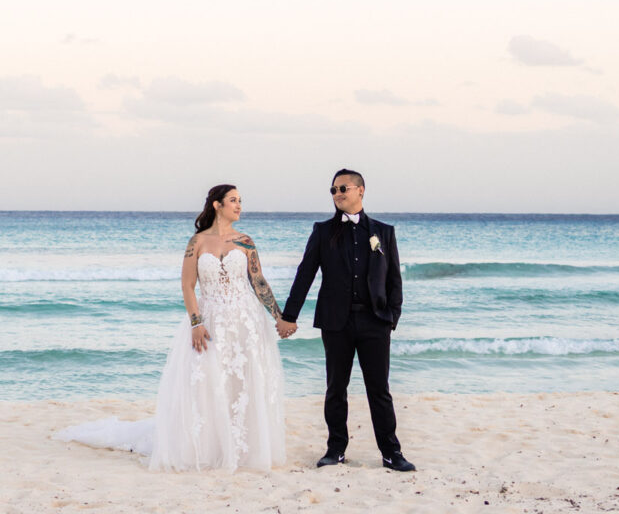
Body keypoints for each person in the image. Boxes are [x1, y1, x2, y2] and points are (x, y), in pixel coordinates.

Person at [55, 184, 289, 471]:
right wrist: (196, 322)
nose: (239, 205)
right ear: (217, 205)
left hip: (245, 321)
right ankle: (210, 448)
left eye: (240, 200)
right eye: (233, 200)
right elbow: (188, 285)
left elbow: (258, 281)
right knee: (208, 383)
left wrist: (278, 316)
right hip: (210, 320)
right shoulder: (197, 242)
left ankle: (243, 448)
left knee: (242, 383)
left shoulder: (246, 242)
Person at [277, 168, 414, 472]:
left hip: (375, 321)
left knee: (379, 390)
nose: (337, 194)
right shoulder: (323, 231)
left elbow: (394, 279)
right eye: (333, 190)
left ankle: (391, 453)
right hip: (336, 323)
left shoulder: (383, 232)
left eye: (343, 188)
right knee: (335, 388)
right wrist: (289, 316)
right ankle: (335, 449)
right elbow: (305, 274)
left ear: (360, 190)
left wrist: (391, 317)